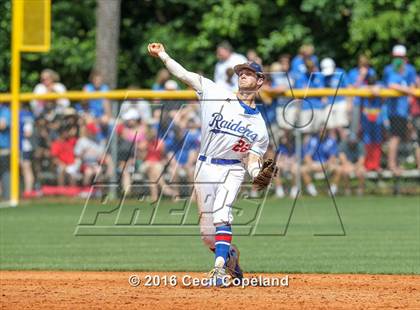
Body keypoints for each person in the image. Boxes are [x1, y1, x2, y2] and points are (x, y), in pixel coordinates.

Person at [148, 42, 274, 286]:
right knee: (207, 235)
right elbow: (183, 74)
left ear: (260, 81)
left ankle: (218, 270)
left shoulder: (259, 126)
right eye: (241, 72)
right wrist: (163, 54)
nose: (243, 75)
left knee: (222, 213)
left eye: (249, 73)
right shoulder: (216, 93)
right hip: (205, 166)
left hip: (233, 169)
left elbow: (251, 158)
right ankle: (230, 257)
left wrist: (257, 172)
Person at [384, 49, 417, 176]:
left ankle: (399, 163)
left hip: (405, 110)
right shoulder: (391, 69)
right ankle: (392, 165)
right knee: (395, 137)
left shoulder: (409, 69)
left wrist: (409, 91)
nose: (398, 59)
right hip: (395, 110)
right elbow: (391, 85)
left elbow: (413, 85)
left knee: (405, 136)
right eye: (396, 57)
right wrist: (408, 91)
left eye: (401, 57)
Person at [301, 129, 340, 196]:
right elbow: (307, 156)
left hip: (327, 164)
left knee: (338, 170)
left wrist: (325, 166)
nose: (322, 133)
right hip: (314, 164)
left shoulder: (331, 141)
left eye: (324, 131)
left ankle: (332, 190)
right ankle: (312, 191)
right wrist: (311, 165)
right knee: (303, 170)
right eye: (321, 131)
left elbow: (332, 157)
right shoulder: (312, 141)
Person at [320, 57, 350, 139]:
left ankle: (344, 149)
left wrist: (349, 104)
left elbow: (348, 88)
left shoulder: (341, 72)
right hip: (329, 103)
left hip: (341, 102)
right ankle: (333, 149)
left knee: (340, 127)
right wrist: (323, 98)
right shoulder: (323, 76)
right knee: (330, 128)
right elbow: (321, 89)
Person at [0, 103, 11, 200]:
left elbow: (2, 125)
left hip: (3, 147)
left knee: (5, 172)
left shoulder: (5, 110)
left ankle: (7, 196)